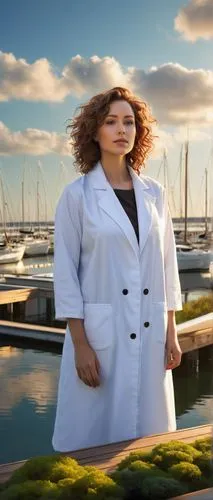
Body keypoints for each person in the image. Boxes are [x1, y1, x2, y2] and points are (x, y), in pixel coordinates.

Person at [52, 86, 182, 453]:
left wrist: (171, 331)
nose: (121, 129)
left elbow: (167, 264)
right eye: (111, 122)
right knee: (93, 443)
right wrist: (80, 344)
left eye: (129, 122)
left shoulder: (155, 193)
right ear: (94, 131)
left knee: (149, 445)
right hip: (99, 334)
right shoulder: (76, 195)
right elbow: (65, 273)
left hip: (150, 330)